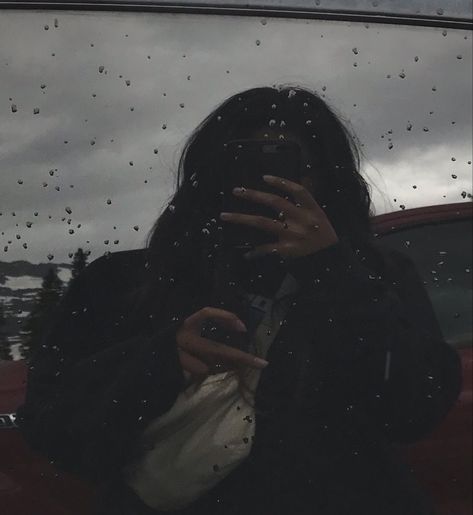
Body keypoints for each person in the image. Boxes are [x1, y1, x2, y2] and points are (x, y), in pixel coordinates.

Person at [16, 86, 462, 515]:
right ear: (208, 176)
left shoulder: (374, 275)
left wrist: (333, 271)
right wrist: (160, 360)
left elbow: (414, 409)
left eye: (290, 168)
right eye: (242, 165)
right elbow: (53, 430)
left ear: (329, 180)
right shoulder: (122, 282)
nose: (265, 184)